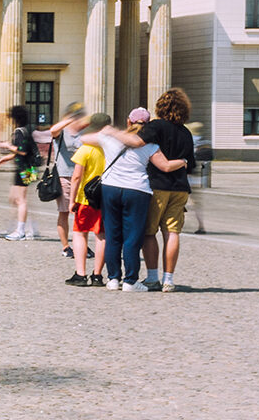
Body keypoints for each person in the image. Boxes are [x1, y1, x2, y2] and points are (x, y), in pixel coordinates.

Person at [92, 107, 188, 291]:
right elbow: (166, 166)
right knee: (132, 237)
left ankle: (112, 279)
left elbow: (84, 139)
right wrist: (183, 161)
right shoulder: (150, 145)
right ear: (148, 124)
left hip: (110, 188)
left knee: (112, 235)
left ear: (128, 121)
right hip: (137, 190)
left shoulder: (110, 139)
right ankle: (130, 281)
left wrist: (109, 131)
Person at [137, 89, 196, 291]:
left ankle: (152, 277)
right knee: (172, 232)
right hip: (180, 188)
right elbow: (191, 165)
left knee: (149, 231)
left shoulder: (156, 126)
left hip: (157, 185)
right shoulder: (186, 132)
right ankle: (169, 280)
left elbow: (138, 142)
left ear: (161, 107)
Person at [64, 112, 111, 287]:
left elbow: (77, 176)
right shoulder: (111, 148)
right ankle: (98, 275)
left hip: (86, 198)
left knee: (79, 234)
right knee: (102, 236)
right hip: (105, 196)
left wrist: (72, 200)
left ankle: (81, 273)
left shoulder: (86, 148)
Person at [0, 105, 40, 240]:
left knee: (20, 200)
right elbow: (23, 152)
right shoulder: (26, 130)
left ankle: (21, 230)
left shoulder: (20, 131)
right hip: (26, 168)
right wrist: (7, 157)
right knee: (14, 198)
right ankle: (28, 227)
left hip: (25, 169)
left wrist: (7, 146)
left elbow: (22, 150)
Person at [48, 104, 87, 254]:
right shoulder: (62, 131)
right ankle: (65, 246)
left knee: (81, 212)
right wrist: (69, 120)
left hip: (82, 176)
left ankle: (80, 243)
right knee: (64, 211)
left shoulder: (84, 132)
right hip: (64, 175)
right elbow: (52, 131)